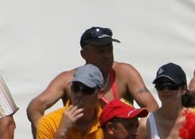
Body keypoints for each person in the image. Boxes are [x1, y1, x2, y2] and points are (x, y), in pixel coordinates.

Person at [26, 26, 157, 132]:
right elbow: (35, 106)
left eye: (109, 50)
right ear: (84, 54)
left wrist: (137, 136)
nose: (106, 56)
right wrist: (43, 132)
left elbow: (152, 108)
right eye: (100, 51)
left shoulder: (124, 73)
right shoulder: (69, 78)